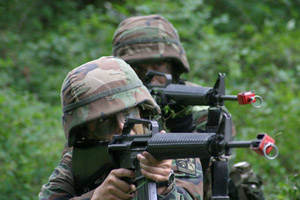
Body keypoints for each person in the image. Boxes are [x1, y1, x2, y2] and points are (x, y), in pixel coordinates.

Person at [112, 14, 264, 200]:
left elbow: (204, 178)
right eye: (136, 69)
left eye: (158, 65)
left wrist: (183, 128)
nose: (149, 77)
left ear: (174, 67)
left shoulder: (205, 110)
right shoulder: (110, 108)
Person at [39, 56, 203, 200]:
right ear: (84, 131)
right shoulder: (76, 163)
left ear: (142, 110)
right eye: (104, 121)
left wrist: (164, 186)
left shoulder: (175, 154)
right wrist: (96, 197)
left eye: (129, 112)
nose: (122, 125)